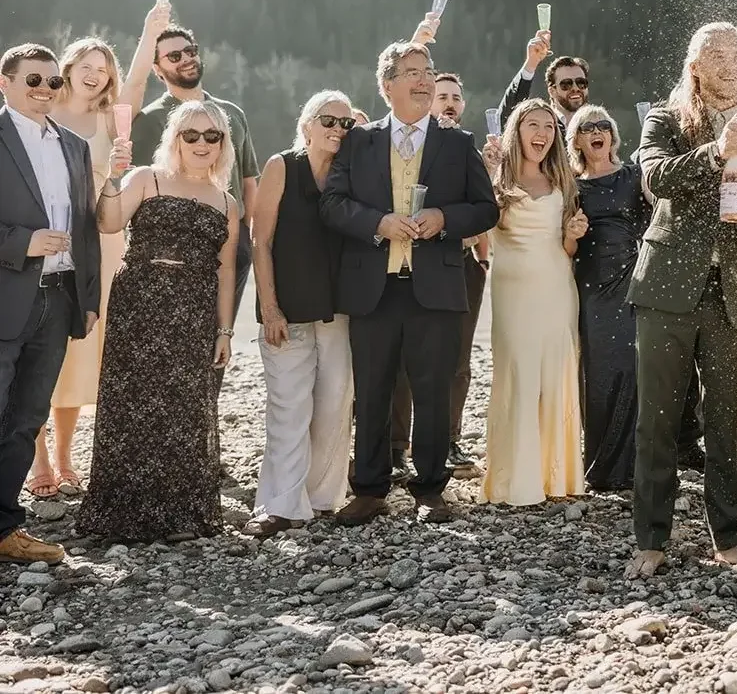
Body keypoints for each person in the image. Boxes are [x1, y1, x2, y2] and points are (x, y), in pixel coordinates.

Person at [624, 23, 737, 579]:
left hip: (735, 292)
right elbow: (656, 180)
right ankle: (651, 538)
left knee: (728, 420)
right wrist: (717, 152)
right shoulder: (667, 120)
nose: (729, 63)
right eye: (715, 55)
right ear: (693, 65)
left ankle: (729, 535)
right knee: (659, 421)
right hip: (668, 290)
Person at [320, 42, 499, 526]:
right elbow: (333, 204)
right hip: (372, 289)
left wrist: (445, 217)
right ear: (387, 85)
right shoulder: (359, 141)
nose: (424, 81)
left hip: (435, 287)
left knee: (433, 389)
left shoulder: (457, 143)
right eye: (412, 73)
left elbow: (487, 209)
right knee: (373, 390)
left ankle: (430, 488)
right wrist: (377, 223)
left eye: (428, 72)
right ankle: (370, 488)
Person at [79, 99, 238, 541]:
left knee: (185, 410)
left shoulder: (226, 202)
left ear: (223, 143)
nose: (201, 143)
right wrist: (112, 177)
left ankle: (180, 517)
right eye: (191, 135)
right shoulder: (145, 178)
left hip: (193, 311)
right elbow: (108, 224)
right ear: (176, 139)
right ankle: (122, 517)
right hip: (139, 304)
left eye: (212, 136)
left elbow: (226, 271)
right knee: (129, 404)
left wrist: (225, 330)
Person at [27, 8, 164, 499]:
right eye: (86, 62)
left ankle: (65, 456)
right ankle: (36, 459)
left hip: (98, 242)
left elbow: (142, 76)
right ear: (67, 66)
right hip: (42, 236)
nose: (95, 72)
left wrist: (149, 30)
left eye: (103, 66)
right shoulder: (40, 107)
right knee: (36, 343)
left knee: (79, 350)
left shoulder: (112, 117)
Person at [0, 45, 101, 564]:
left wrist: (88, 297)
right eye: (33, 79)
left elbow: (85, 229)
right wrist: (22, 243)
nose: (44, 89)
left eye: (52, 81)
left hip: (59, 301)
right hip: (5, 296)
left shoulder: (76, 147)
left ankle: (5, 531)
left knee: (26, 417)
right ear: (6, 83)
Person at [244, 91, 356, 538]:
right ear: (307, 124)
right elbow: (260, 241)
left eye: (346, 124)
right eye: (328, 120)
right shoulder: (281, 166)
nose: (337, 130)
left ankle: (323, 499)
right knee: (289, 407)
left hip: (340, 310)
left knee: (333, 407)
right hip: (286, 308)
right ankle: (279, 505)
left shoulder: (352, 175)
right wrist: (269, 307)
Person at [476, 98, 586, 505]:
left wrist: (575, 232)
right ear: (516, 132)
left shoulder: (564, 180)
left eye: (548, 127)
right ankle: (514, 480)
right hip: (513, 291)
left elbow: (568, 246)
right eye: (532, 125)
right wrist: (486, 174)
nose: (541, 133)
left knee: (556, 374)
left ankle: (556, 478)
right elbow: (478, 229)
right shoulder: (496, 179)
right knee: (518, 374)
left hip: (557, 287)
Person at [390, 71, 488, 481]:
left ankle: (448, 440)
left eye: (455, 97)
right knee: (402, 361)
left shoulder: (470, 148)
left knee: (458, 360)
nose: (448, 102)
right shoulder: (407, 145)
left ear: (463, 106)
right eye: (441, 95)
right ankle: (396, 446)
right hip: (408, 261)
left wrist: (481, 259)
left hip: (460, 262)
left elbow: (484, 208)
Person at [131, 25, 259, 327]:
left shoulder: (232, 114)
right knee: (176, 339)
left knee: (220, 333)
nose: (186, 59)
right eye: (174, 56)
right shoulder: (150, 121)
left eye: (190, 51)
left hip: (233, 240)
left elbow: (249, 180)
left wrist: (244, 235)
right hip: (173, 248)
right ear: (157, 69)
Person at [567, 103, 650, 492]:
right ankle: (598, 467)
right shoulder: (571, 185)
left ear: (613, 136)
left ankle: (631, 468)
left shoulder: (634, 177)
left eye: (603, 125)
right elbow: (562, 241)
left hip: (630, 282)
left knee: (632, 370)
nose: (596, 131)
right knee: (596, 373)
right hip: (590, 287)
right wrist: (573, 231)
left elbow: (654, 222)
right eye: (587, 127)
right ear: (577, 140)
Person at [497, 32, 589, 131]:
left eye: (581, 83)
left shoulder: (600, 126)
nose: (575, 88)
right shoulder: (542, 128)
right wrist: (531, 63)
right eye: (566, 84)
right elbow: (509, 119)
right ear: (552, 91)